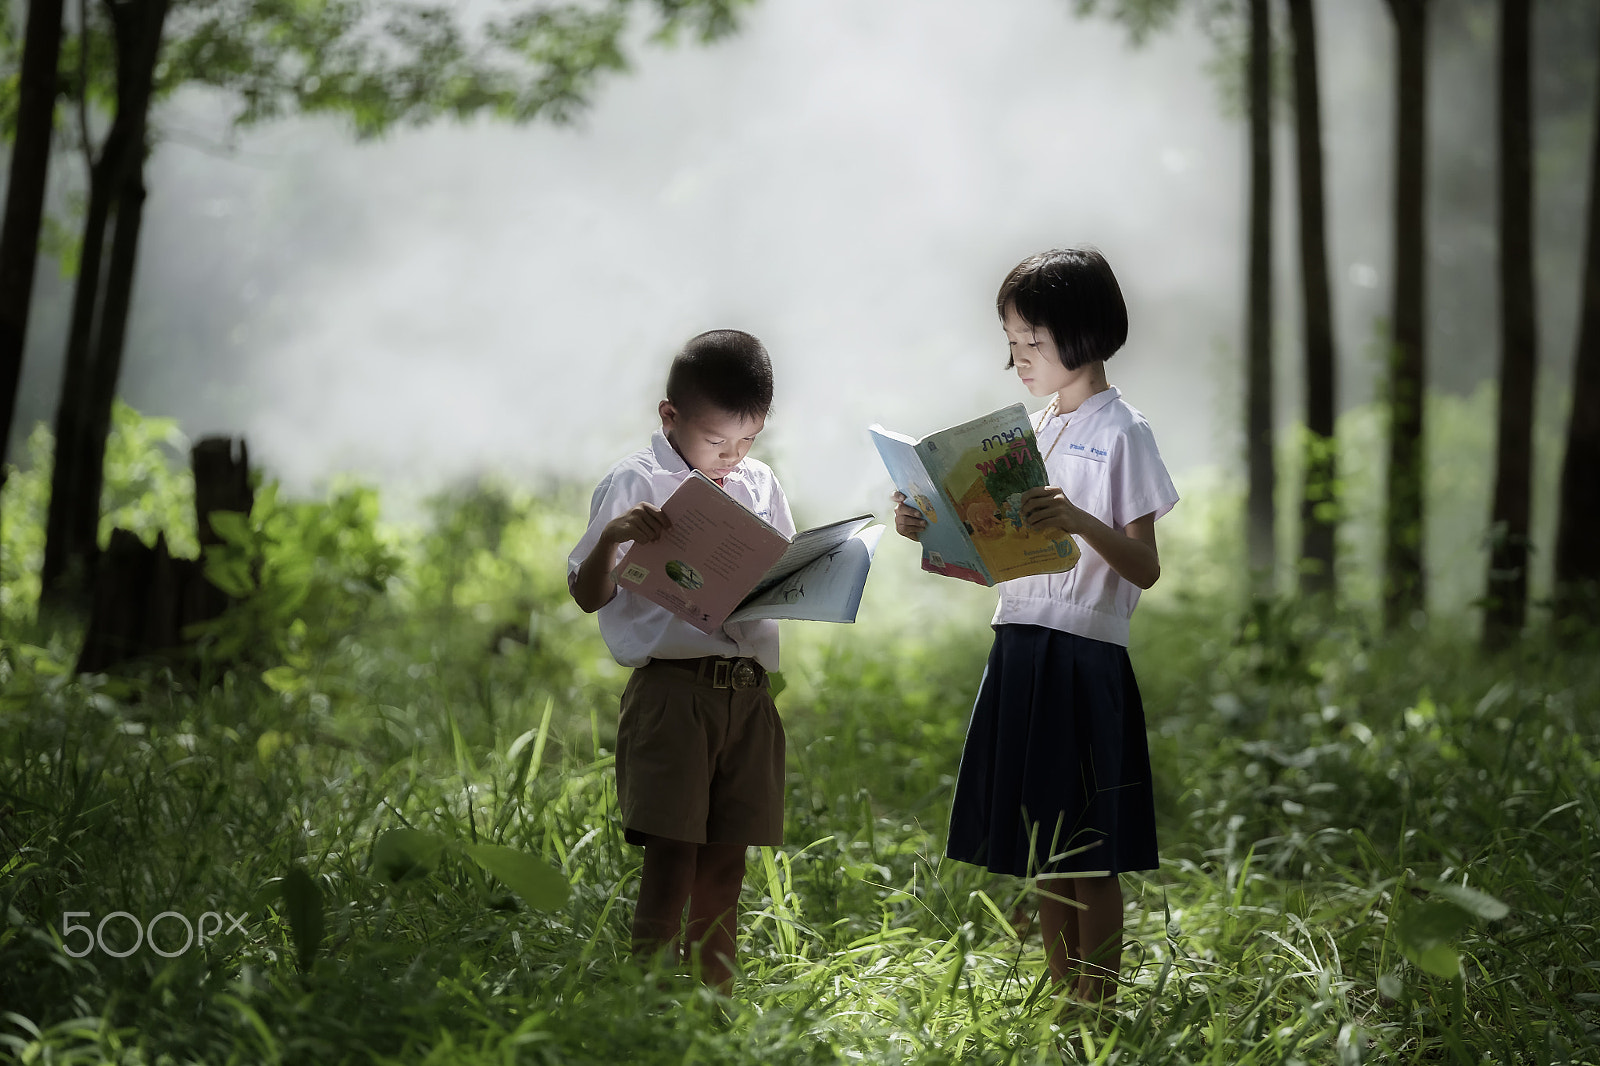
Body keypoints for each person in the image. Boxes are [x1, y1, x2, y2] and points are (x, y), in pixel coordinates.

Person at [892, 247, 1178, 1006]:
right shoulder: (1032, 432)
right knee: (1048, 849)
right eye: (1011, 343)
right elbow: (994, 552)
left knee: (1090, 847)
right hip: (1018, 640)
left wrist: (1082, 520)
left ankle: (1100, 1002)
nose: (1016, 360)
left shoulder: (1124, 432)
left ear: (1082, 337)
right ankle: (1064, 997)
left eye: (1031, 344)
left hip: (1085, 655)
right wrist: (929, 525)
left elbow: (1144, 567)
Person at [568, 329, 793, 994]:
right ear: (669, 417)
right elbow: (587, 595)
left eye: (747, 441)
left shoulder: (758, 483)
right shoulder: (636, 481)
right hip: (673, 693)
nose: (732, 456)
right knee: (673, 852)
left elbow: (775, 571)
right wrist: (614, 537)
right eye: (717, 441)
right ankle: (647, 995)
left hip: (746, 693)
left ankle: (711, 995)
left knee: (728, 856)